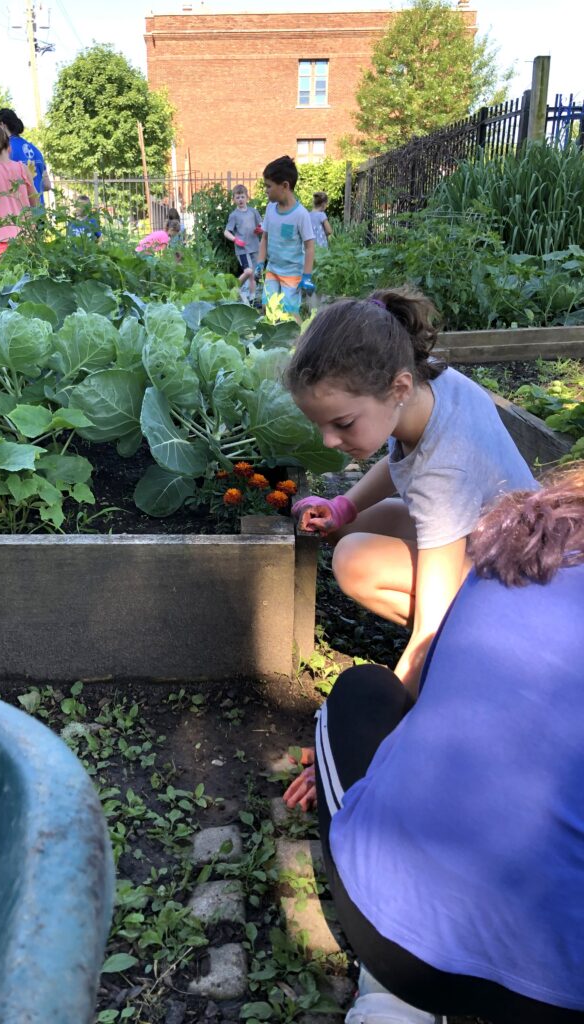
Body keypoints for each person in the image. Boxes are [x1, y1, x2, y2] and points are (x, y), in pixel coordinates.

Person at [283, 464, 584, 1023]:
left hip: (404, 948)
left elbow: (433, 696)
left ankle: (389, 998)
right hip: (565, 988)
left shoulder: (526, 538)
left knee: (362, 690)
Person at [287, 287, 535, 694]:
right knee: (349, 528)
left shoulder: (446, 472)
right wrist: (344, 506)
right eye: (322, 426)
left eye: (343, 423)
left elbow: (429, 623)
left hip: (517, 578)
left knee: (354, 561)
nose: (329, 441)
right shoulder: (422, 383)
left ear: (398, 388)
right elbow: (405, 458)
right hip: (490, 532)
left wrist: (392, 720)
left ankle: (481, 649)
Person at [255, 155, 315, 319]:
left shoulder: (300, 214)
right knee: (268, 307)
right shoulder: (270, 209)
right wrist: (260, 262)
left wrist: (307, 276)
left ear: (285, 186)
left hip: (292, 272)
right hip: (273, 269)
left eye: (268, 186)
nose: (266, 190)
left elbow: (310, 247)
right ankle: (272, 342)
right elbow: (265, 238)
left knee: (289, 312)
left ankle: (297, 343)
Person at [0, 126, 39, 258]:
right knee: (29, 276)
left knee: (5, 277)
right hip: (27, 236)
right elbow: (35, 202)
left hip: (2, 239)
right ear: (9, 147)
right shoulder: (23, 168)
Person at [0, 107, 50, 205]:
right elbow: (46, 185)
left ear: (2, 125)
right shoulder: (35, 150)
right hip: (39, 212)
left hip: (21, 213)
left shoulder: (5, 150)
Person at [223, 184, 262, 304]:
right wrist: (235, 239)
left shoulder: (253, 212)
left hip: (255, 247)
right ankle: (234, 289)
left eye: (242, 197)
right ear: (234, 199)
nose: (240, 199)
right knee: (248, 271)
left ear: (247, 197)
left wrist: (259, 229)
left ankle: (252, 299)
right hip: (242, 249)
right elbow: (226, 232)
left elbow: (261, 225)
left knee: (254, 275)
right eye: (237, 197)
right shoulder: (234, 215)